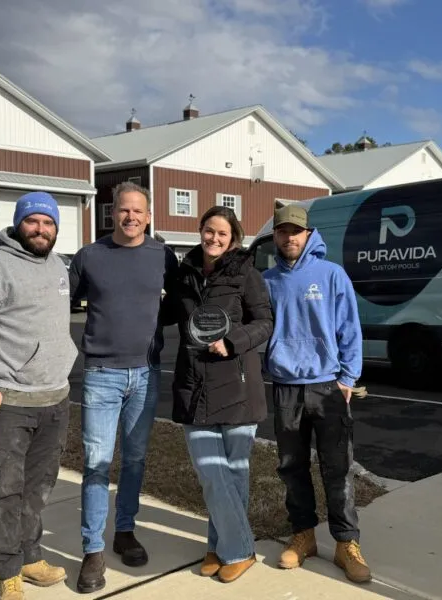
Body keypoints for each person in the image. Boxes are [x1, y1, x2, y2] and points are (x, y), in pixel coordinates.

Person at [0, 191, 77, 600]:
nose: (41, 229)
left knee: (38, 489)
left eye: (48, 222)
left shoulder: (58, 266)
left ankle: (29, 557)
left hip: (54, 400)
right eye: (33, 221)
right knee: (4, 491)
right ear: (18, 223)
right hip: (9, 402)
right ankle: (7, 571)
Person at [68, 181, 179, 594]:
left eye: (138, 211)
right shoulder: (89, 256)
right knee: (97, 462)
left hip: (147, 373)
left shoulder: (163, 256)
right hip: (102, 374)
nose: (130, 216)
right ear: (112, 213)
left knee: (134, 459)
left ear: (148, 217)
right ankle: (93, 550)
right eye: (123, 209)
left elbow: (179, 303)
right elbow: (60, 302)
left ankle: (125, 530)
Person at [262, 204, 370, 584]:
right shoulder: (267, 281)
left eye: (296, 231)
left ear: (308, 235)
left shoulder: (331, 275)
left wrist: (347, 378)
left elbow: (350, 329)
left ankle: (346, 543)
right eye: (282, 231)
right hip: (286, 387)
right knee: (292, 467)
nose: (289, 237)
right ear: (275, 236)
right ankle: (303, 536)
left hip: (327, 387)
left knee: (337, 468)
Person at [169, 205, 273, 583]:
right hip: (194, 385)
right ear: (200, 231)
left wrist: (232, 342)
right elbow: (164, 312)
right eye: (209, 231)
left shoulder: (246, 273)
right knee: (212, 475)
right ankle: (238, 548)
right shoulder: (184, 273)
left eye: (222, 234)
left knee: (233, 475)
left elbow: (265, 322)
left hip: (237, 385)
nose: (214, 238)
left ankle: (222, 548)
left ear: (233, 239)